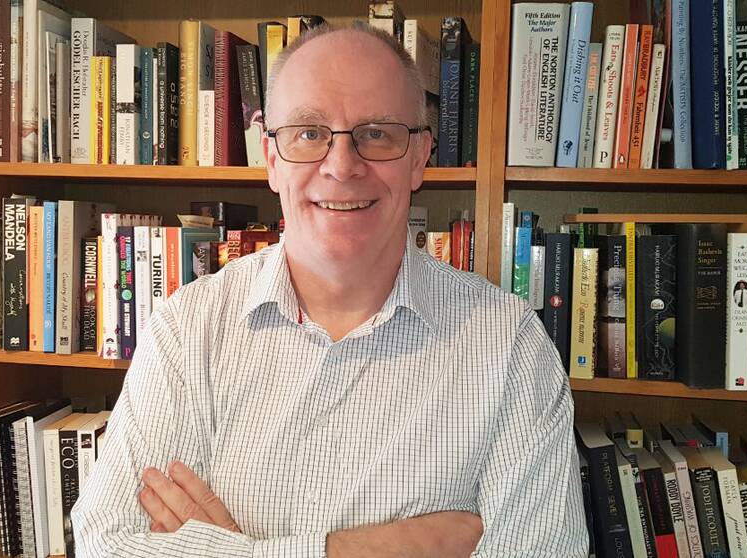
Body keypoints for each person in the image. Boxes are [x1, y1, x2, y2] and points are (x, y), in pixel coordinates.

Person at [72, 23, 586, 557]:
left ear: (419, 158)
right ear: (272, 159)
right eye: (308, 133)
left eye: (377, 133)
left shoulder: (510, 346)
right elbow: (106, 546)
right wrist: (381, 548)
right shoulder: (187, 330)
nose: (341, 166)